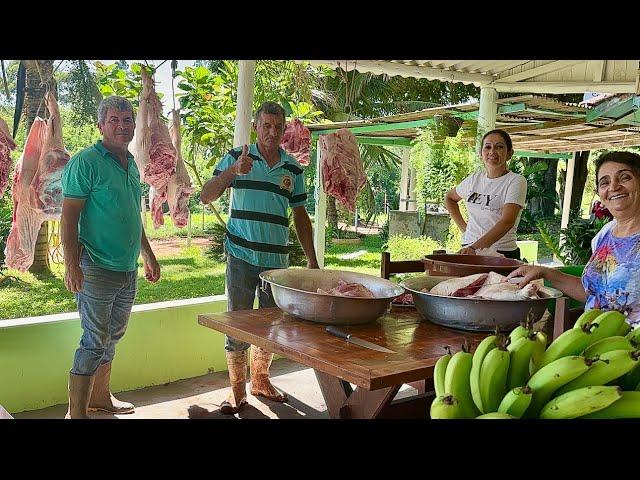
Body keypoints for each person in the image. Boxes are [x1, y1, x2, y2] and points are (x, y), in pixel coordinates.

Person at [201, 101, 319, 414]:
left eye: (277, 127)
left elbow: (301, 216)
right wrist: (232, 171)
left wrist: (312, 260)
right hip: (240, 255)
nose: (271, 132)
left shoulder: (293, 168)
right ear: (256, 126)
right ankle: (237, 390)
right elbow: (206, 194)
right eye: (265, 125)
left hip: (276, 262)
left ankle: (262, 380)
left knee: (271, 325)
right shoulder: (237, 156)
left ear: (284, 130)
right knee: (237, 322)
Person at [61, 96, 161, 419]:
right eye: (114, 120)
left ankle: (101, 397)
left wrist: (148, 255)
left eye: (127, 119)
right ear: (100, 125)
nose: (122, 125)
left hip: (126, 269)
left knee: (112, 337)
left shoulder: (131, 164)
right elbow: (69, 216)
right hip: (95, 266)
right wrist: (71, 263)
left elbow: (134, 215)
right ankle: (76, 413)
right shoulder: (86, 162)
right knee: (94, 340)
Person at [507, 151, 640, 329]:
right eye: (605, 182)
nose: (613, 187)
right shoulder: (605, 234)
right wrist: (545, 273)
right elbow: (594, 292)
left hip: (631, 349)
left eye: (625, 178)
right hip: (594, 342)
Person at [444, 129, 527, 259]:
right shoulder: (474, 179)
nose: (492, 151)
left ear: (509, 153)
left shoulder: (516, 181)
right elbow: (450, 198)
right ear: (481, 153)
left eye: (499, 147)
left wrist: (474, 248)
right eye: (487, 147)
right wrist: (465, 229)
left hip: (501, 252)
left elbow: (507, 221)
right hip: (470, 248)